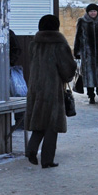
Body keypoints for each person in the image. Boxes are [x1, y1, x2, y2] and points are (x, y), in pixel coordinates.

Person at [25, 14, 77, 169]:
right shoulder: (59, 44)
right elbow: (67, 67)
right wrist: (69, 74)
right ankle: (47, 160)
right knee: (52, 125)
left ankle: (31, 149)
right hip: (52, 89)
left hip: (35, 88)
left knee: (39, 122)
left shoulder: (34, 44)